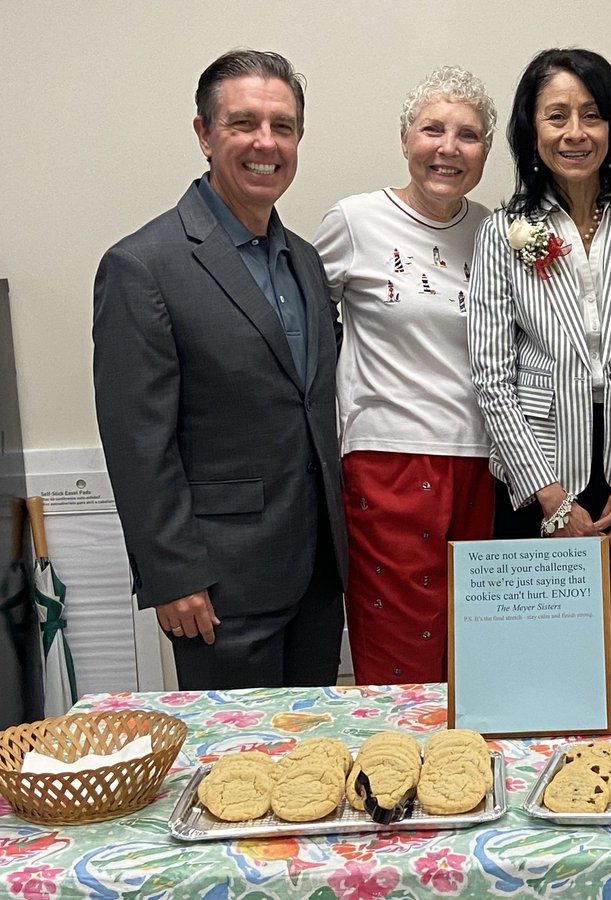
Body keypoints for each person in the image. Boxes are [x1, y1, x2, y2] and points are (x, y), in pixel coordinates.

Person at [93, 50, 347, 689]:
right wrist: (173, 576)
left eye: (283, 127)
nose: (267, 143)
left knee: (309, 760)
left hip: (318, 573)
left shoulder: (307, 263)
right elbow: (136, 441)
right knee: (236, 770)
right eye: (244, 123)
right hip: (219, 588)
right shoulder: (143, 266)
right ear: (205, 135)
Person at [468, 48, 611, 676]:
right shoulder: (503, 231)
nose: (575, 133)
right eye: (557, 116)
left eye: (591, 115)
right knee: (544, 672)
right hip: (539, 475)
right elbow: (492, 380)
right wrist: (553, 501)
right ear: (530, 130)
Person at [312, 67, 497, 686]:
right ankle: (394, 777)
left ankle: (467, 779)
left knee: (473, 656)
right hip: (387, 458)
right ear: (404, 139)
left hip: (481, 461)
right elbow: (303, 325)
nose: (449, 147)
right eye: (433, 129)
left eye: (468, 135)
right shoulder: (355, 220)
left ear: (486, 152)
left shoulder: (497, 231)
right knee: (400, 654)